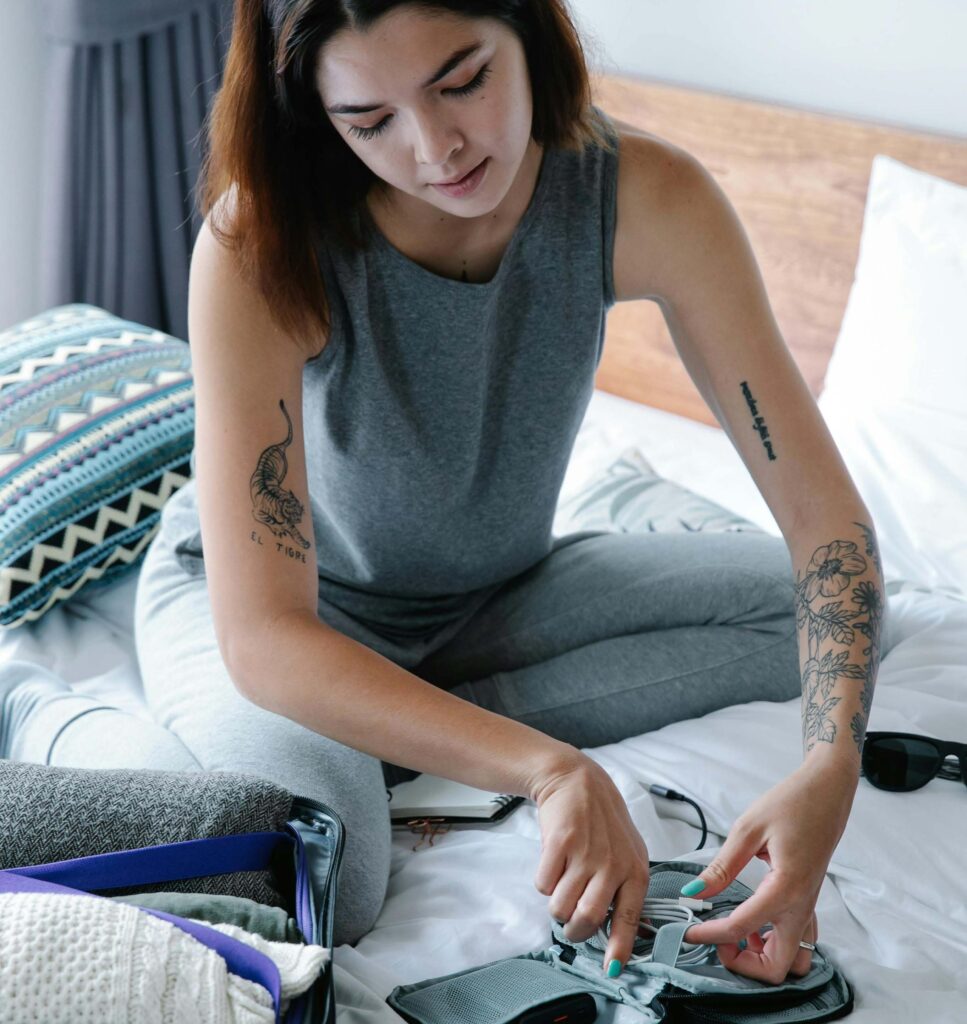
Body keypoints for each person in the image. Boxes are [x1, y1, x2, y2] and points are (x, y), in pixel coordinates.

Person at [3, 0, 888, 984]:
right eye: (370, 121)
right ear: (318, 116)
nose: (435, 149)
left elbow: (826, 531)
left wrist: (829, 767)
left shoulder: (645, 195)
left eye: (462, 79)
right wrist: (544, 766)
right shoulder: (261, 242)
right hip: (290, 624)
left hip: (491, 593)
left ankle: (415, 724)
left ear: (529, 33)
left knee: (821, 622)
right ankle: (36, 712)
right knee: (326, 877)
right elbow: (263, 639)